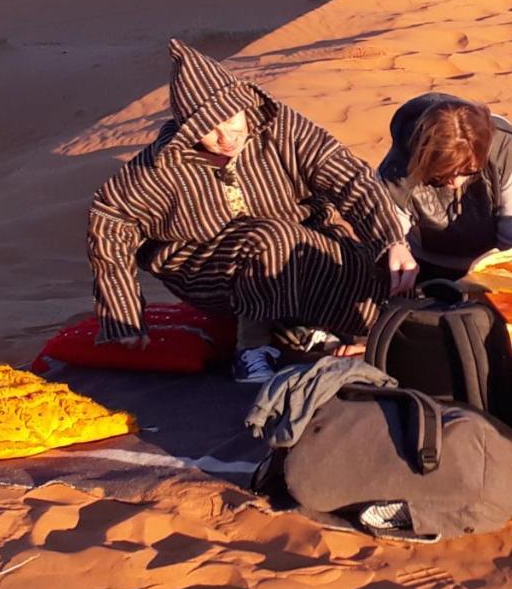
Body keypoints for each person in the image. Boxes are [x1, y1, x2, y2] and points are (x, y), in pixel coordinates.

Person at [88, 40, 419, 383]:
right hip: (210, 269)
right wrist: (121, 313)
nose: (225, 136)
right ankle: (252, 350)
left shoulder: (284, 129)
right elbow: (110, 220)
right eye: (207, 129)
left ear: (244, 105)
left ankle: (300, 328)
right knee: (271, 239)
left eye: (230, 119)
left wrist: (390, 241)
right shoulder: (161, 167)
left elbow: (349, 178)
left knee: (377, 279)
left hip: (299, 250)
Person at [378, 93, 512, 279]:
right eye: (440, 176)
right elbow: (392, 235)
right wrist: (396, 248)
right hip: (422, 267)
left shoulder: (506, 149)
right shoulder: (396, 169)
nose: (454, 182)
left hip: (494, 268)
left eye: (468, 172)